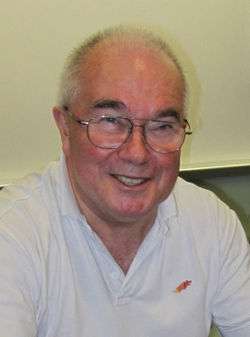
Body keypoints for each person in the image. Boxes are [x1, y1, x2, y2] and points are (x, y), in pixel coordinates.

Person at [0, 26, 249, 337]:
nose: (137, 153)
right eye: (111, 122)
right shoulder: (12, 234)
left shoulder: (211, 222)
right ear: (65, 129)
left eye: (161, 126)